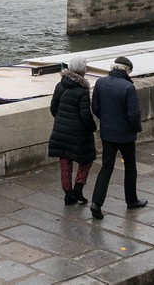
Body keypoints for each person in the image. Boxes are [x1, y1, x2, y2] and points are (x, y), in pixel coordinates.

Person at [90, 55, 145, 219]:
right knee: (130, 167)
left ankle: (96, 203)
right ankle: (131, 200)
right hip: (125, 135)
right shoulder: (128, 87)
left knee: (106, 168)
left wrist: (106, 121)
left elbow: (96, 108)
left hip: (107, 133)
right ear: (126, 70)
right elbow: (133, 114)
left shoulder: (100, 83)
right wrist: (137, 128)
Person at [48, 56, 97, 206]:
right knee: (87, 160)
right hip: (78, 134)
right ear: (82, 71)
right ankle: (78, 188)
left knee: (65, 162)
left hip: (60, 131)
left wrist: (62, 121)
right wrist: (92, 128)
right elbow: (85, 115)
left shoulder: (60, 85)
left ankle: (68, 195)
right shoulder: (82, 90)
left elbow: (53, 108)